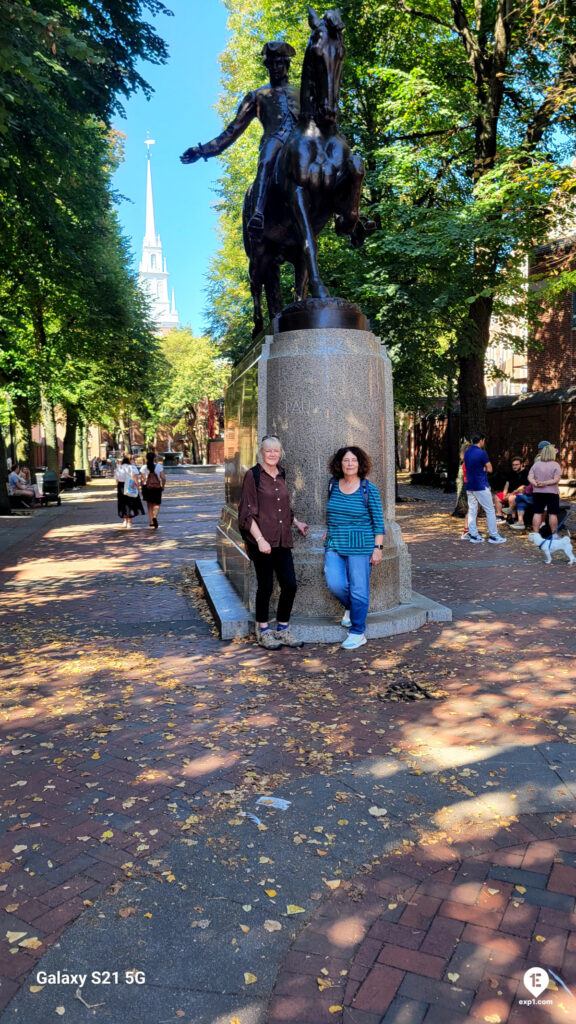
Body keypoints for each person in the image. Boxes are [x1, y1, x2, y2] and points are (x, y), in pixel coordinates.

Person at [181, 41, 299, 240]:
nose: (276, 68)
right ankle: (258, 212)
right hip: (275, 139)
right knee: (267, 160)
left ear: (287, 64)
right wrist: (202, 151)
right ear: (266, 66)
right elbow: (231, 131)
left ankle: (350, 215)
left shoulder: (301, 93)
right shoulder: (257, 96)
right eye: (271, 64)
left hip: (300, 143)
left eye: (280, 63)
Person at [238, 435, 308, 649]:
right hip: (262, 541)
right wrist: (259, 540)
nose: (272, 454)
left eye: (276, 451)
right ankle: (263, 631)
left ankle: (283, 629)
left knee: (290, 585)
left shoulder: (282, 473)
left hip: (282, 538)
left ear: (280, 452)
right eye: (268, 451)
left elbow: (282, 506)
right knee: (266, 586)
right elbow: (247, 513)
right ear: (261, 452)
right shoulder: (253, 475)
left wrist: (296, 522)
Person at [324, 446, 385, 650]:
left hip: (361, 545)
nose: (349, 464)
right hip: (335, 542)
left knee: (359, 589)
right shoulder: (333, 485)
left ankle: (358, 632)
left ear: (360, 464)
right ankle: (352, 608)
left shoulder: (369, 489)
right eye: (346, 460)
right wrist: (329, 529)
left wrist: (378, 547)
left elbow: (378, 522)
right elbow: (332, 512)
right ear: (339, 464)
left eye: (353, 460)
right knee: (335, 583)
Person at [463, 434, 506, 544]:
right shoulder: (482, 453)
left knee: (472, 510)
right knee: (490, 510)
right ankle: (494, 536)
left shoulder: (467, 452)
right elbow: (490, 469)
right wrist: (483, 468)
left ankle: (474, 535)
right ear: (481, 441)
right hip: (481, 485)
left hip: (469, 485)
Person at [528, 442, 562, 536]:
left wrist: (536, 483)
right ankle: (554, 534)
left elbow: (530, 477)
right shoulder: (556, 465)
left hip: (538, 492)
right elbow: (556, 479)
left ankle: (535, 534)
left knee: (537, 513)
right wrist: (545, 483)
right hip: (552, 493)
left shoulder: (536, 465)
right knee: (552, 514)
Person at [494, 456, 530, 520]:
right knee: (497, 497)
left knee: (511, 498)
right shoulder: (512, 472)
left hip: (520, 493)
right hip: (510, 493)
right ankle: (500, 516)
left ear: (521, 464)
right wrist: (505, 493)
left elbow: (523, 487)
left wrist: (512, 493)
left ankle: (513, 517)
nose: (514, 466)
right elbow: (507, 484)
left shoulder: (526, 473)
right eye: (513, 465)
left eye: (516, 465)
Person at [114, 456, 144, 528]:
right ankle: (129, 522)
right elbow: (135, 479)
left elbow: (116, 480)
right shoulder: (132, 467)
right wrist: (138, 488)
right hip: (130, 485)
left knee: (122, 503)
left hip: (121, 486)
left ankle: (125, 520)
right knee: (130, 503)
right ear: (129, 462)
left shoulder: (118, 468)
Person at [140, 452, 166, 529]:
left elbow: (143, 479)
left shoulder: (143, 467)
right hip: (157, 487)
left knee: (149, 505)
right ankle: (155, 517)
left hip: (147, 487)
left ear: (146, 458)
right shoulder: (159, 466)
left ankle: (151, 522)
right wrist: (163, 486)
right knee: (157, 503)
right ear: (154, 458)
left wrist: (142, 486)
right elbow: (163, 478)